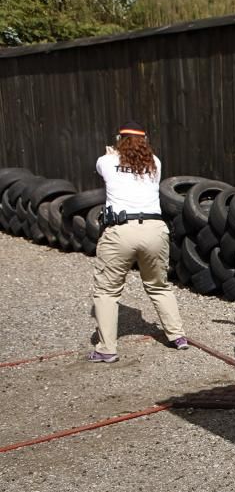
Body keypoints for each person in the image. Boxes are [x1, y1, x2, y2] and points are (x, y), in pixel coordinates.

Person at [89, 121, 188, 363]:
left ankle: (107, 349)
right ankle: (178, 336)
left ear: (119, 140)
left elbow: (106, 167)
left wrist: (111, 152)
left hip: (120, 230)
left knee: (107, 291)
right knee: (158, 285)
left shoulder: (106, 161)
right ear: (145, 142)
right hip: (155, 229)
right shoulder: (155, 163)